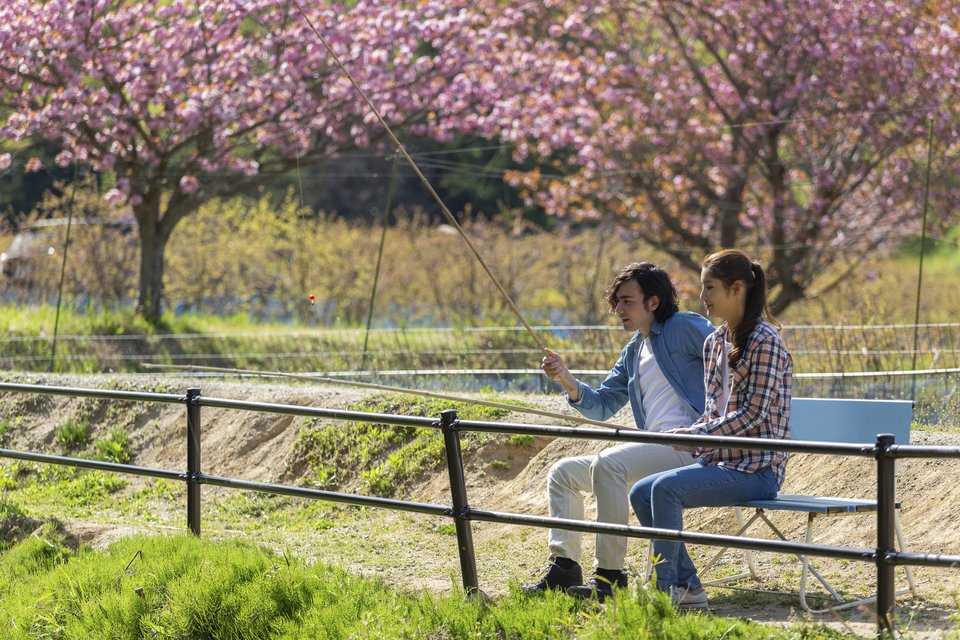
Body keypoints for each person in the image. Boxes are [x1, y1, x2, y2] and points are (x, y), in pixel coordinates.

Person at [526, 262, 714, 601]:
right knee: (563, 473)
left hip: (694, 447)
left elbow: (731, 358)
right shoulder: (633, 350)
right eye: (616, 301)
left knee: (609, 465)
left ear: (653, 302)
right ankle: (565, 568)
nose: (618, 309)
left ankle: (610, 578)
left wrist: (714, 424)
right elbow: (602, 404)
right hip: (657, 449)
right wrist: (566, 378)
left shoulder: (685, 326)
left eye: (626, 301)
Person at [629, 249, 793, 610]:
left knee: (666, 491)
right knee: (642, 492)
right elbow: (711, 410)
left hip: (757, 469)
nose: (702, 297)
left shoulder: (765, 341)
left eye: (710, 288)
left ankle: (666, 590)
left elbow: (753, 414)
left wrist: (698, 435)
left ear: (737, 289)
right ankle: (689, 586)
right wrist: (690, 433)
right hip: (718, 463)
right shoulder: (715, 342)